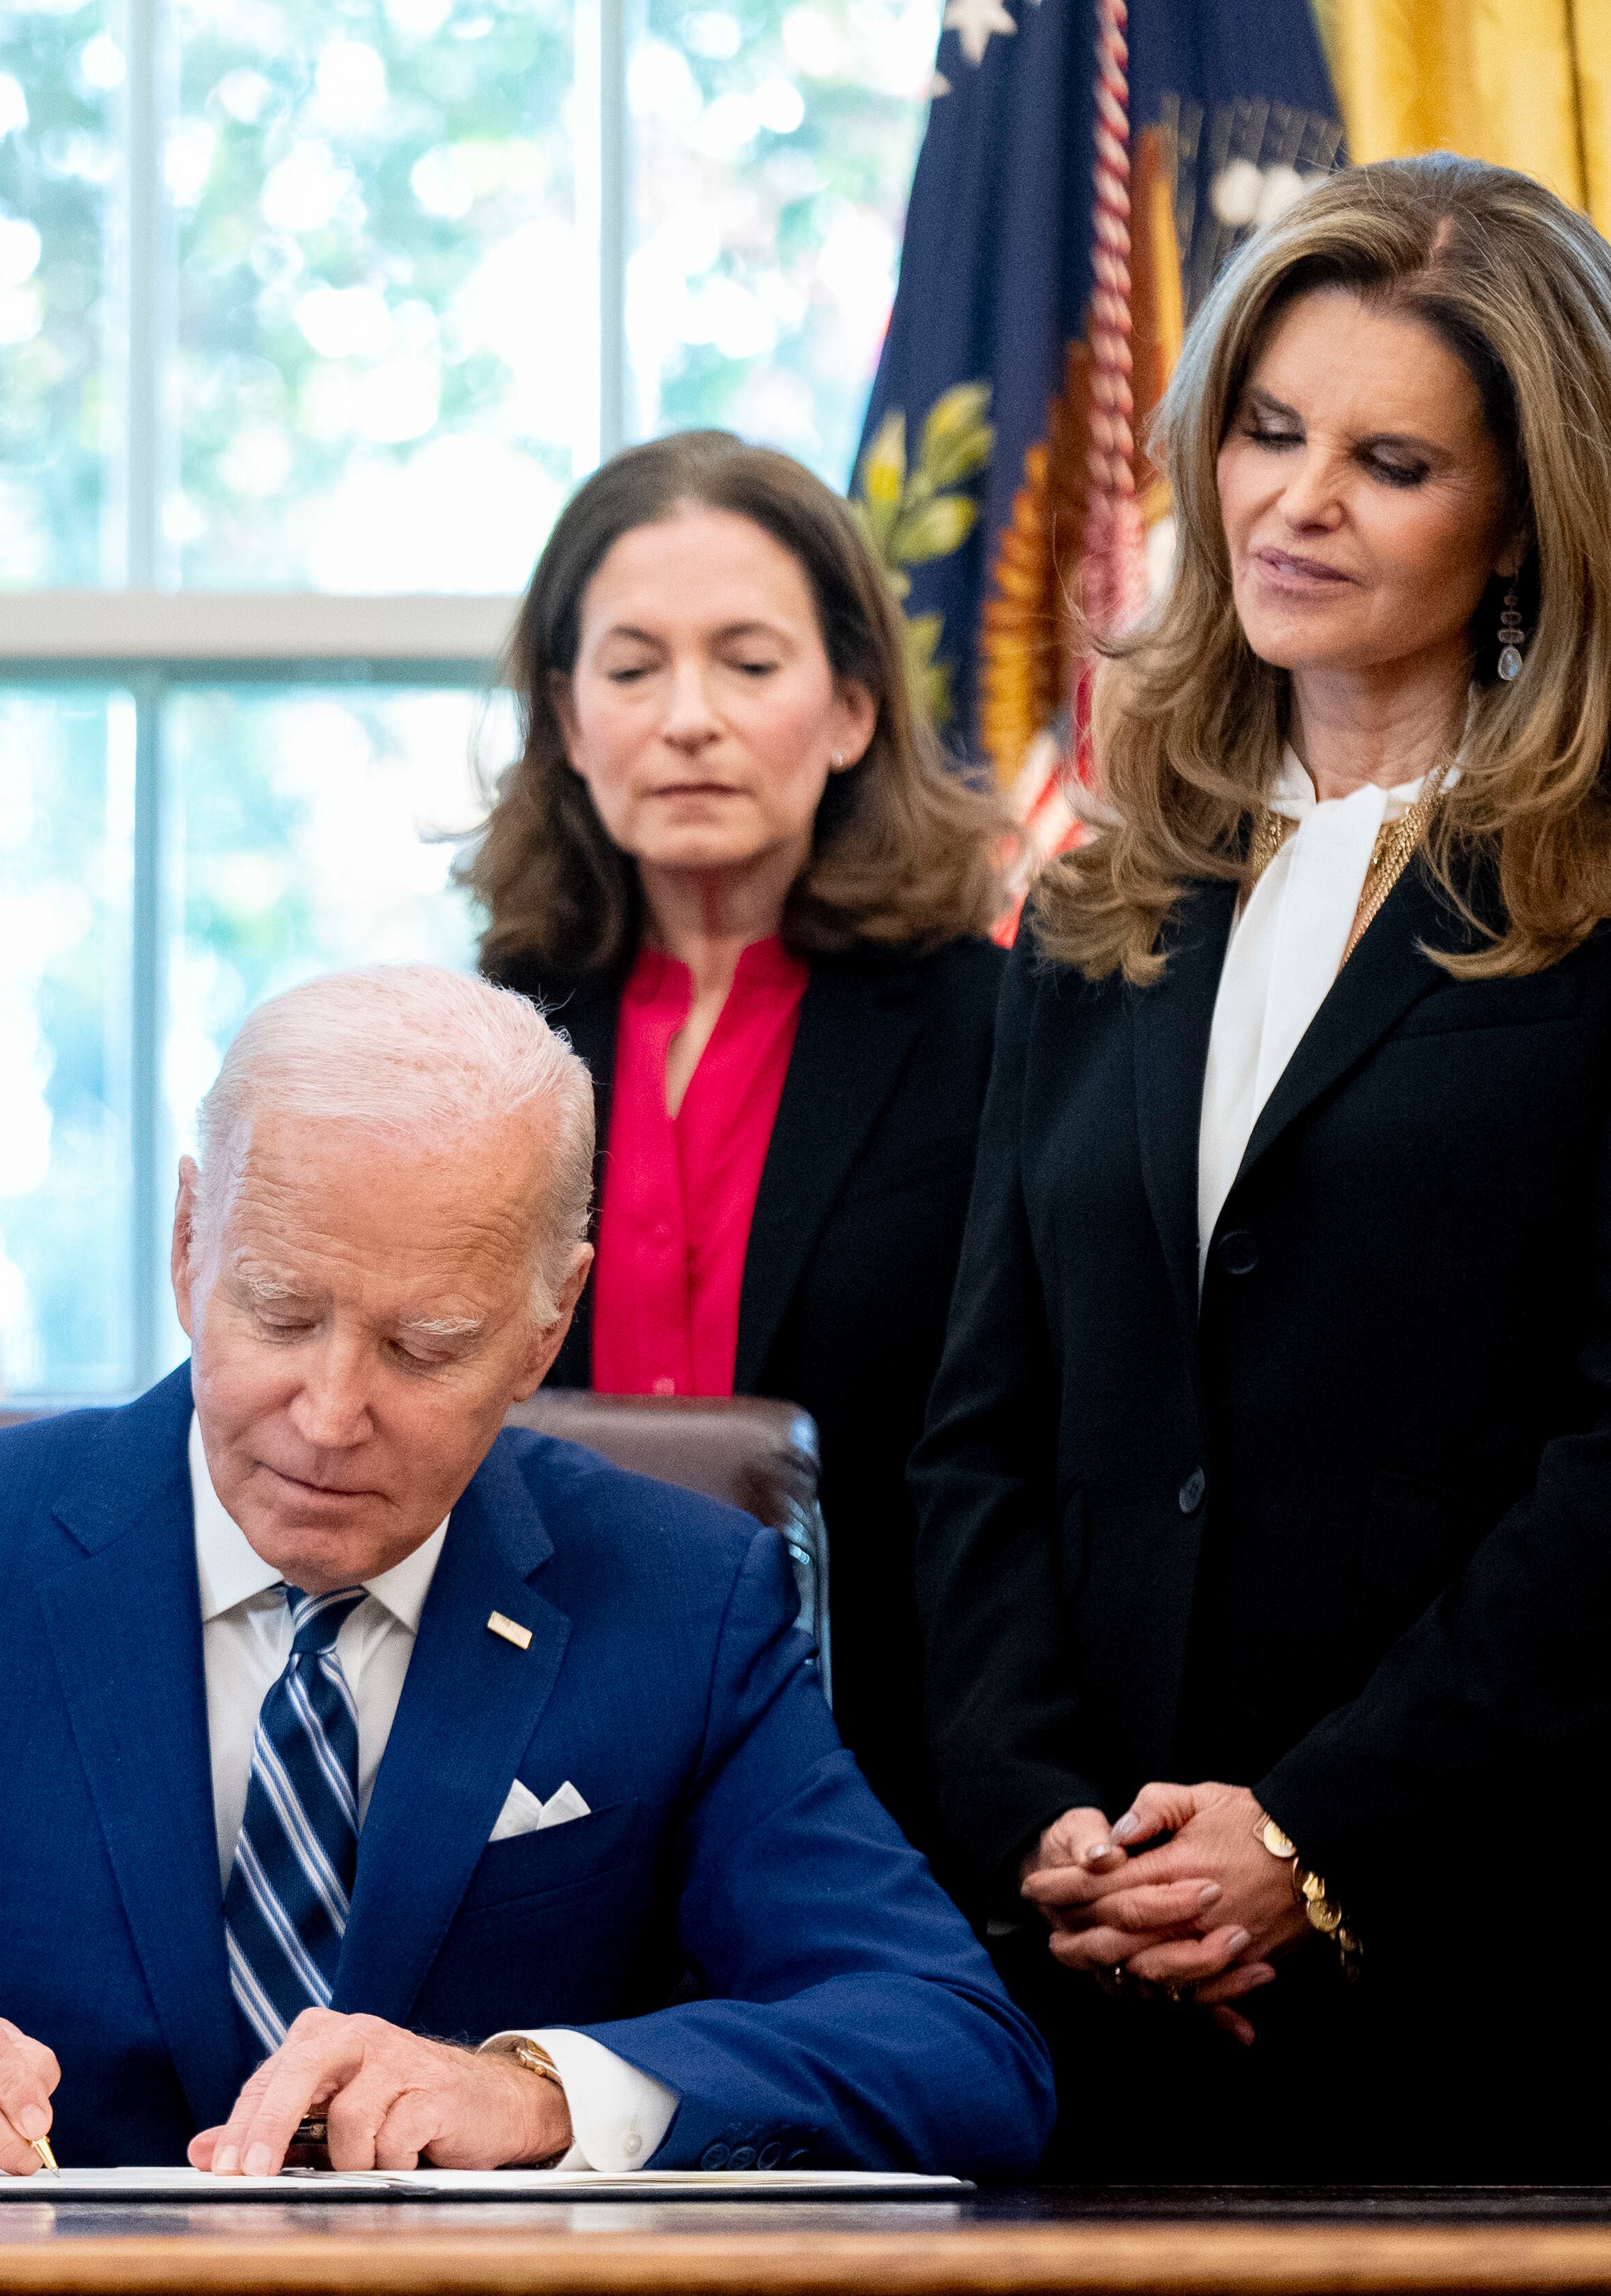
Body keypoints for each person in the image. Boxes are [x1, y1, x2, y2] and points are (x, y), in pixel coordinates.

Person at [0, 964, 1052, 2181]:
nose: (331, 1412)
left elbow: (955, 2045)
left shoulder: (680, 1593)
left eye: (426, 1344)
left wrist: (546, 2090)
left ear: (547, 1323)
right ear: (191, 1239)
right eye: (278, 1310)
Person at [912, 154, 1611, 2180]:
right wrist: (1041, 1814)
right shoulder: (1090, 909)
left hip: (1524, 1980)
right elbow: (983, 1434)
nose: (1294, 502)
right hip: (1116, 1980)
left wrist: (1310, 1835)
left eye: (1387, 460)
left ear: (1525, 517)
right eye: (1265, 428)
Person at [466, 431, 1008, 1859]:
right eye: (632, 668)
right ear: (568, 722)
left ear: (848, 709)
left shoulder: (1000, 1029)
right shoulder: (482, 1040)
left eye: (748, 663)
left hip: (891, 1777)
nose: (685, 717)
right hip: (532, 1775)